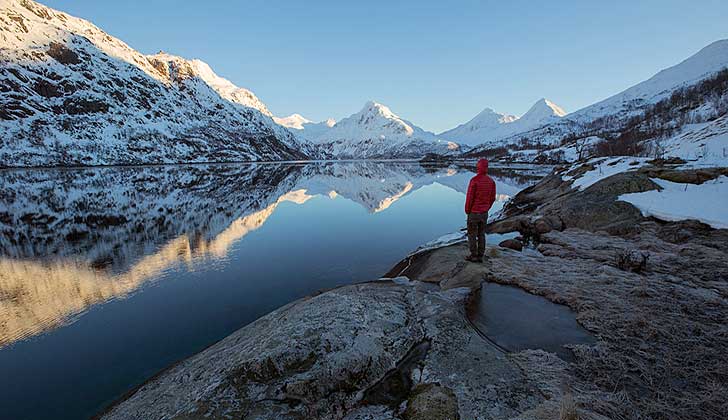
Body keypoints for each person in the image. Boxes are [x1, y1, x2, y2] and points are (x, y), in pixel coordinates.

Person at [464, 159, 496, 262]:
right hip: (484, 213)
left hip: (474, 213)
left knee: (472, 234)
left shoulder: (474, 180)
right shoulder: (491, 181)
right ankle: (480, 255)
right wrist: (486, 208)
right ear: (486, 168)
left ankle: (473, 255)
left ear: (478, 167)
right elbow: (492, 198)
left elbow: (470, 198)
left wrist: (467, 210)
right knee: (481, 234)